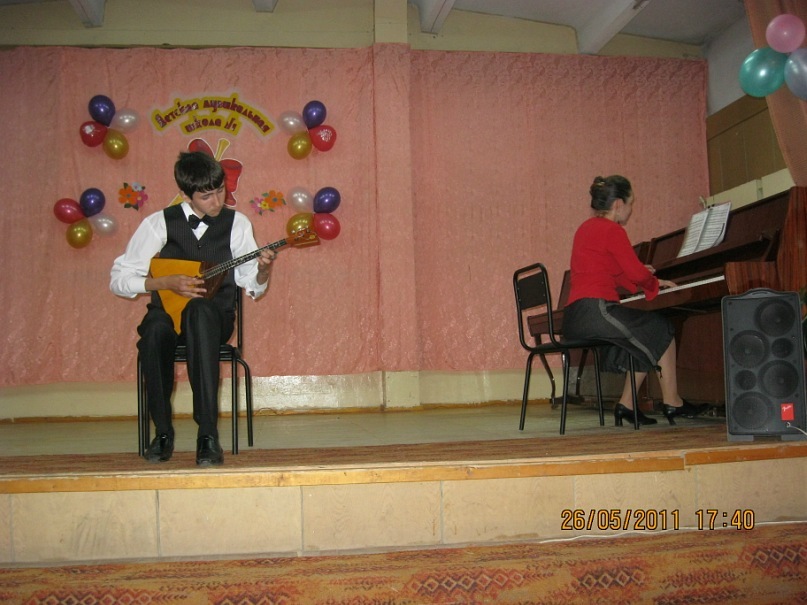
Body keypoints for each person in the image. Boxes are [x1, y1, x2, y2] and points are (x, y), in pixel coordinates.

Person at [111, 151, 276, 465]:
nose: (217, 201)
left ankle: (208, 435)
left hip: (214, 318)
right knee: (154, 331)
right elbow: (119, 279)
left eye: (220, 191)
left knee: (199, 311)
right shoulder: (158, 223)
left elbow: (251, 283)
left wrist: (263, 270)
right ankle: (162, 431)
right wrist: (163, 282)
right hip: (167, 314)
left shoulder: (237, 223)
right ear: (186, 195)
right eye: (206, 196)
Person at [561, 175, 708, 427]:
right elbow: (634, 272)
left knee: (643, 336)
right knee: (662, 328)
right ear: (618, 204)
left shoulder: (586, 228)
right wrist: (651, 283)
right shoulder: (613, 230)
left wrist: (641, 278)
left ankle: (627, 405)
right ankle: (673, 402)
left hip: (576, 316)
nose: (631, 210)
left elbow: (616, 272)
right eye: (631, 204)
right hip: (597, 311)